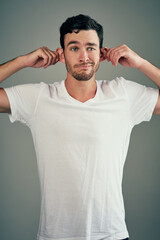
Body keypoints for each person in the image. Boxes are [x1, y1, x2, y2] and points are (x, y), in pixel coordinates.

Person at [0, 14, 160, 240]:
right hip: (55, 236)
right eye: (74, 48)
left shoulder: (122, 94)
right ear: (62, 53)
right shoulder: (39, 97)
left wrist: (140, 63)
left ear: (101, 53)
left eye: (91, 48)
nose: (84, 56)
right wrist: (23, 61)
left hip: (111, 235)